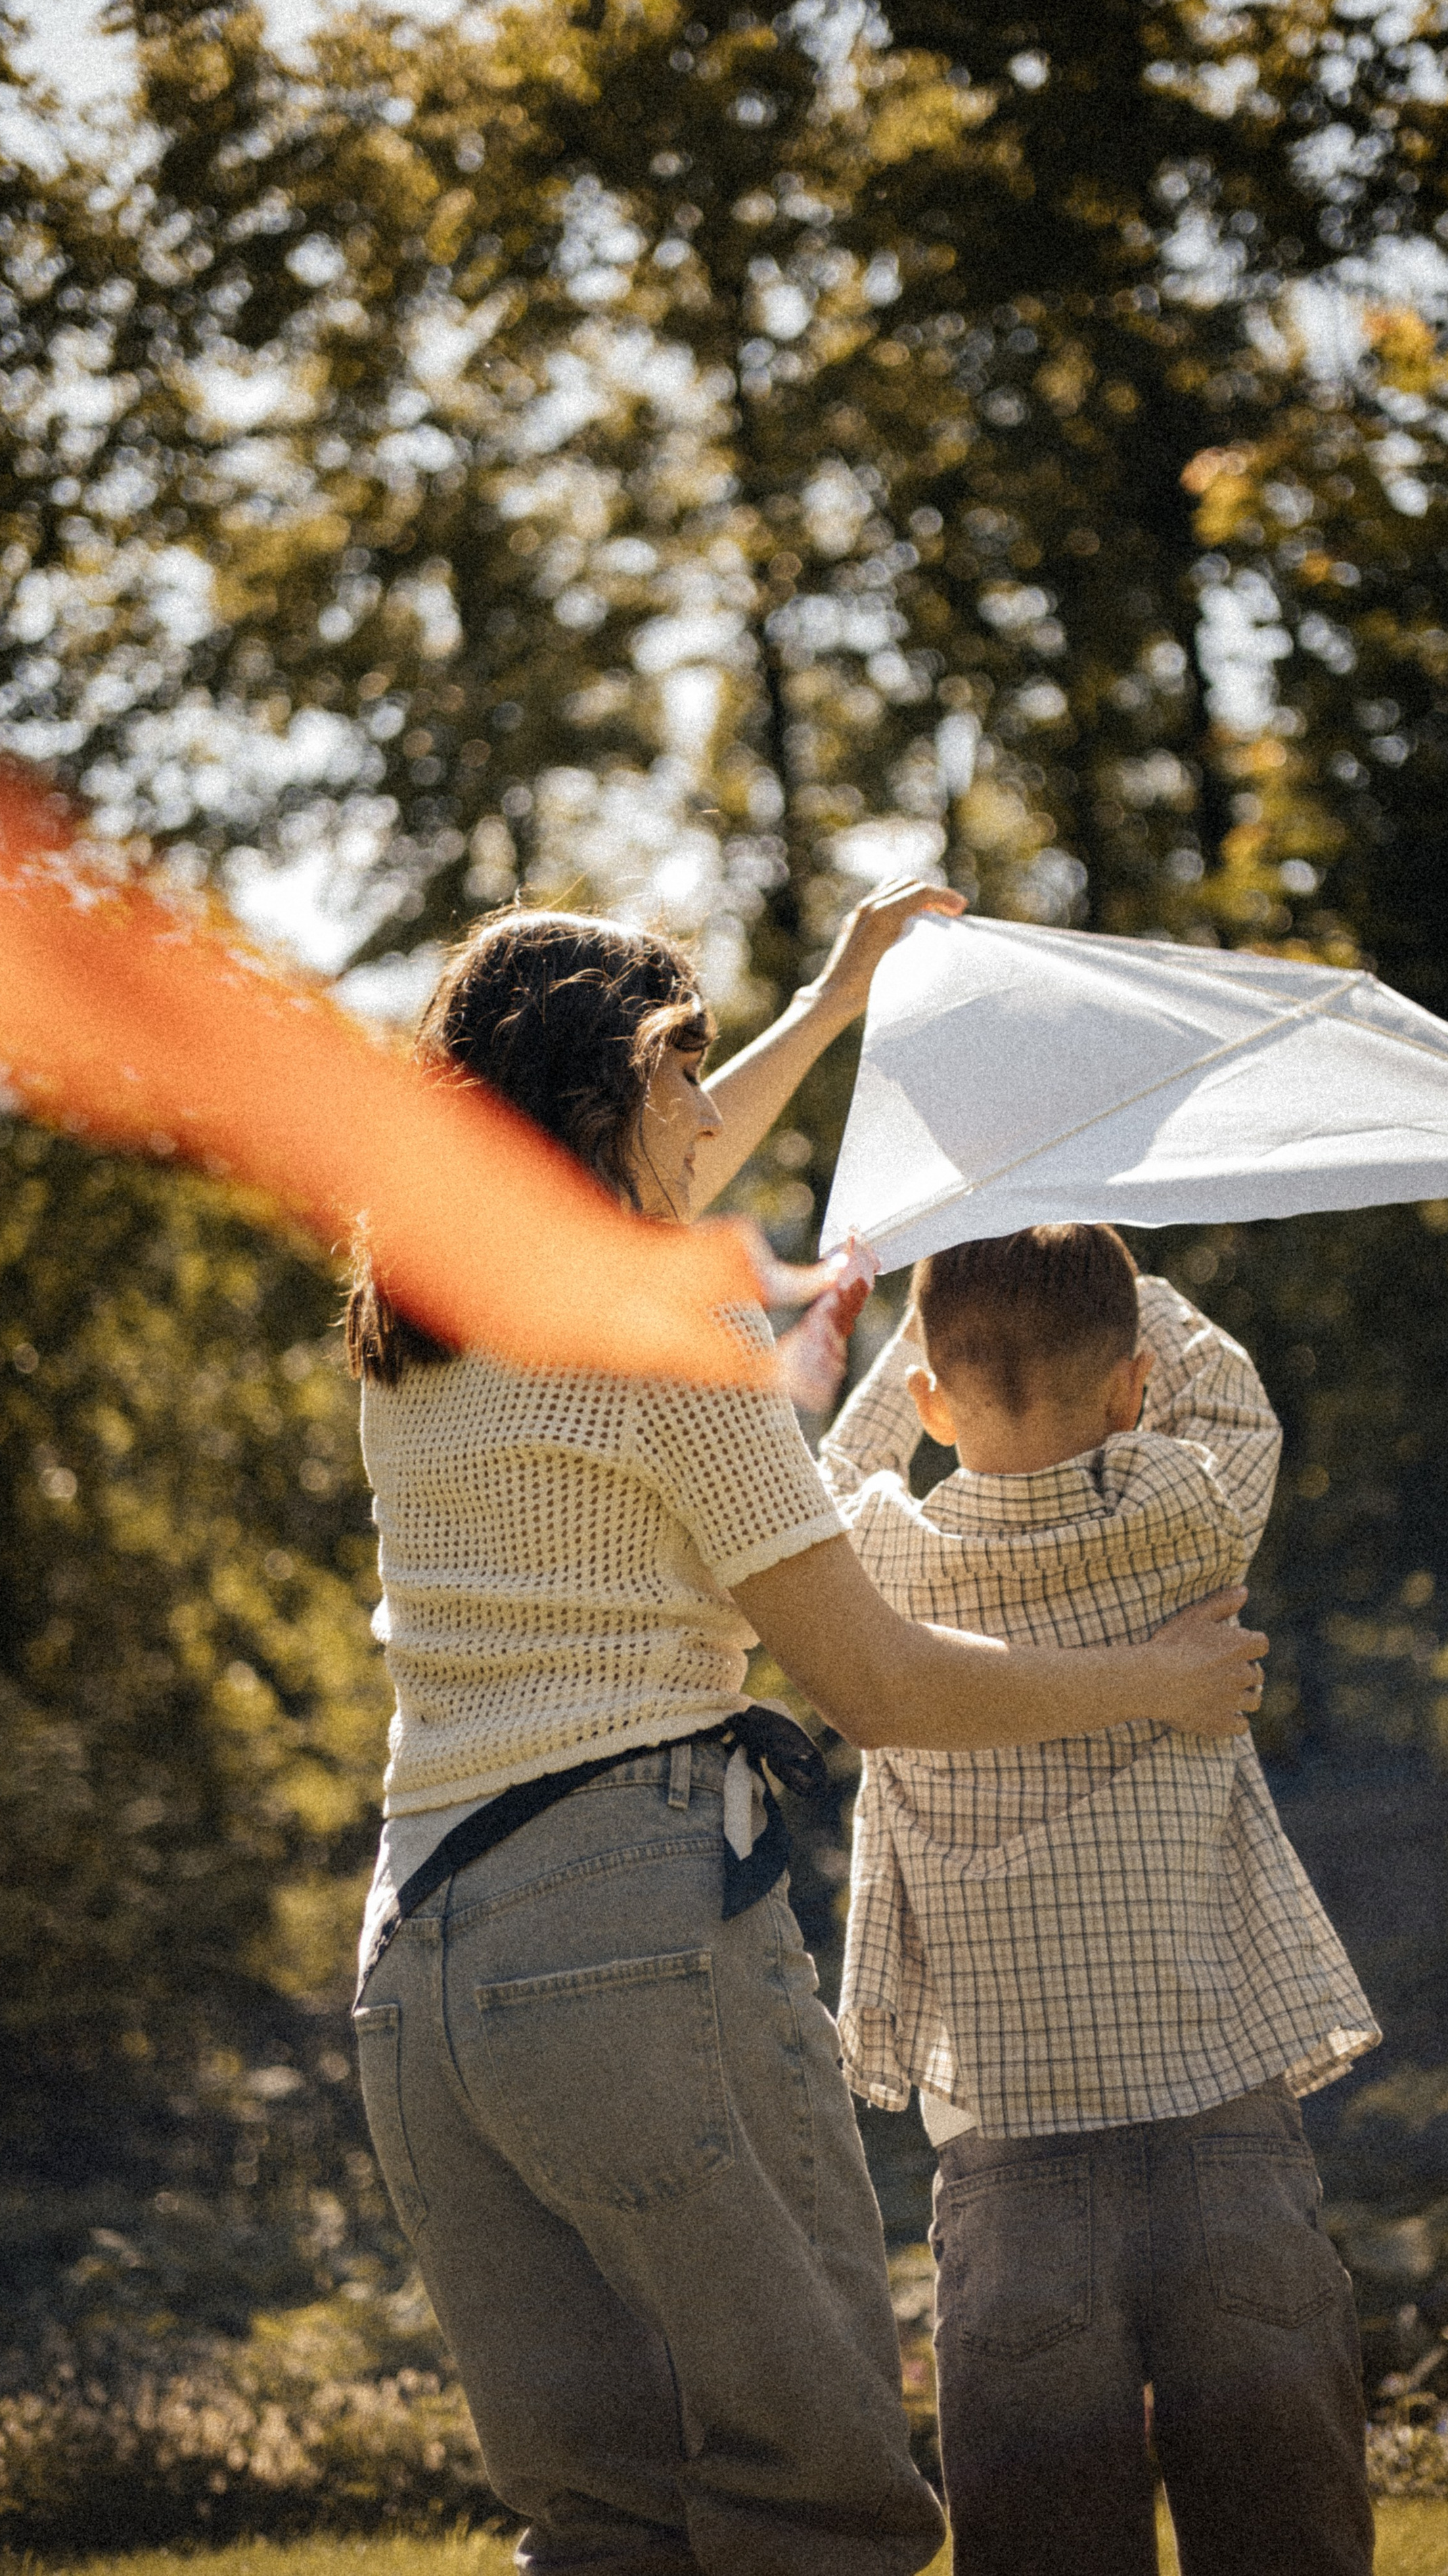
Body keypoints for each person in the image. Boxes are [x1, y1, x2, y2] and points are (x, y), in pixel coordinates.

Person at [346, 894, 1269, 2576]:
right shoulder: (666, 1349)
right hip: (625, 1934)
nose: (711, 1122)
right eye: (678, 1082)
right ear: (590, 1105)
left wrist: (840, 995)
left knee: (602, 2518)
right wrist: (1151, 1680)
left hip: (418, 1966)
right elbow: (880, 1683)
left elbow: (661, 1169)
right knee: (812, 2503)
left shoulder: (420, 1341)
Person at [820, 1222, 1381, 2576]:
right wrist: (1123, 1276)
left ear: (932, 1404)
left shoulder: (878, 1569)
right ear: (1129, 1387)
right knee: (1284, 2535)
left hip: (1009, 2146)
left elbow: (828, 1473)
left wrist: (923, 1312)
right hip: (1217, 2118)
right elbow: (1227, 1390)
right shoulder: (1189, 1511)